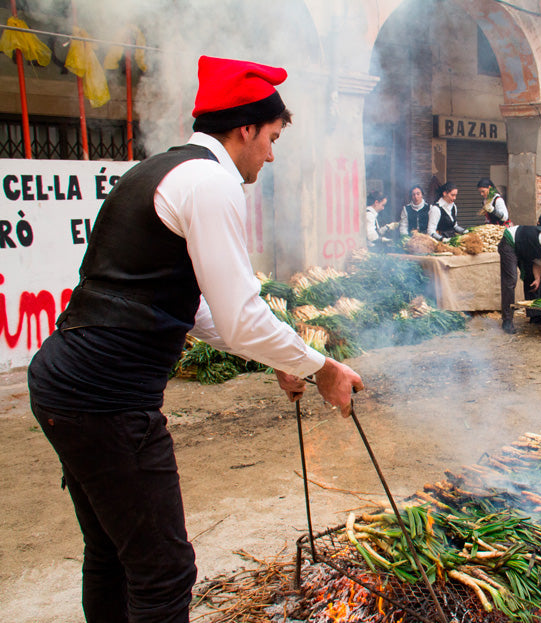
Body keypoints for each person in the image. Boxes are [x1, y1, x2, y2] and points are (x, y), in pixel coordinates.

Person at [26, 56, 364, 622]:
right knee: (165, 570)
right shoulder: (211, 182)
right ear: (246, 128)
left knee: (112, 551)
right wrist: (322, 369)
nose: (272, 154)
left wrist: (288, 359)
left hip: (64, 383)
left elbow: (200, 309)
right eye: (273, 137)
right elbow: (239, 316)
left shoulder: (161, 169)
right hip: (108, 399)